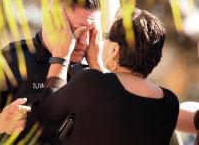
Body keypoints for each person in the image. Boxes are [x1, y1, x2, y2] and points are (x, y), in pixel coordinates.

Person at [0, 0, 100, 142]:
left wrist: (99, 70)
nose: (85, 42)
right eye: (77, 30)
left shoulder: (92, 71)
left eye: (91, 32)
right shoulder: (4, 62)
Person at [40, 8, 187, 144]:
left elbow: (48, 114)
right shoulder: (170, 103)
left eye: (106, 37)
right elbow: (118, 102)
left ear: (114, 49)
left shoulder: (90, 82)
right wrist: (97, 65)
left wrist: (61, 55)